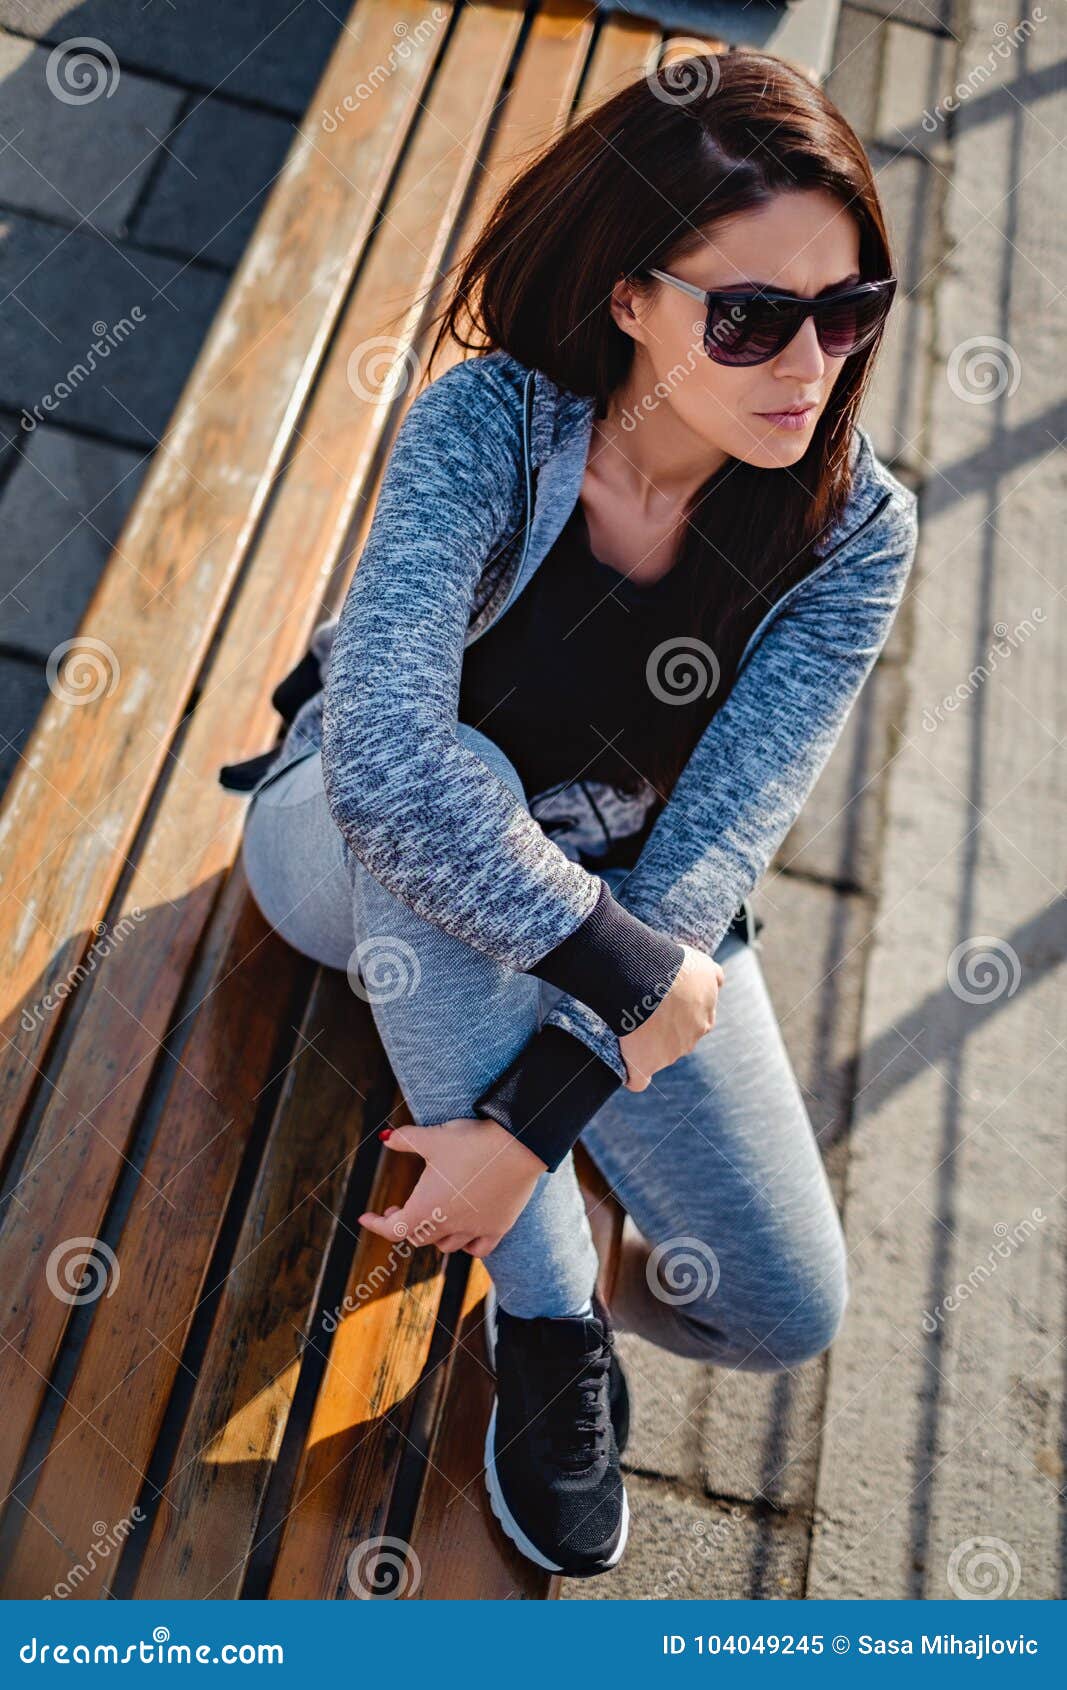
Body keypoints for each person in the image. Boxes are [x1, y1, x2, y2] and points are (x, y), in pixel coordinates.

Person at [231, 50, 918, 1580]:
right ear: (629, 298)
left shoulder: (854, 531)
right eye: (748, 317)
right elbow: (392, 768)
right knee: (446, 812)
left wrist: (525, 1130)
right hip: (339, 848)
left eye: (846, 309)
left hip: (618, 901)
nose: (805, 364)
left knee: (785, 1302)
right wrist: (626, 990)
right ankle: (546, 1325)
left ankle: (532, 1203)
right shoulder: (493, 425)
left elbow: (714, 856)